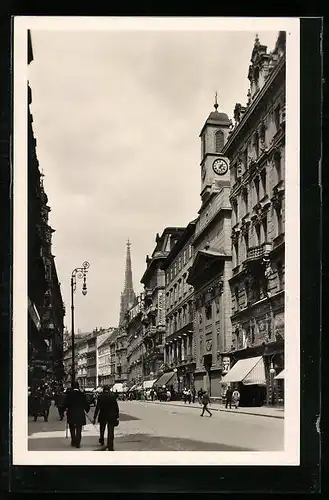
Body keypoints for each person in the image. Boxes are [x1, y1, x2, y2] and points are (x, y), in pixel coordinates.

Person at [64, 381, 90, 448]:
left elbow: (65, 404)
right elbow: (86, 404)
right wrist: (87, 410)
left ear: (72, 387)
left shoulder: (69, 394)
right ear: (78, 386)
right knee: (79, 428)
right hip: (80, 413)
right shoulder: (82, 394)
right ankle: (78, 442)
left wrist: (65, 409)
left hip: (71, 413)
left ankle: (73, 441)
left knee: (72, 427)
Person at [93, 385, 119, 451]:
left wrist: (94, 417)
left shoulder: (100, 396)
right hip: (111, 415)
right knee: (111, 431)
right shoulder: (113, 396)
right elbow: (116, 407)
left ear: (103, 389)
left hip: (103, 415)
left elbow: (97, 408)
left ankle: (101, 440)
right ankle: (110, 445)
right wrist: (117, 416)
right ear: (109, 389)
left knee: (102, 429)